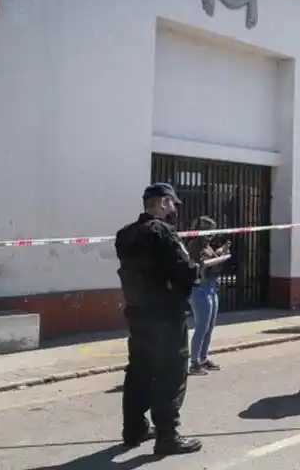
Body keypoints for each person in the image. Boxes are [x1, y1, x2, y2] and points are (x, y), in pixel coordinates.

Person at [114, 182, 203, 456]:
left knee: (139, 371)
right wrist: (196, 268)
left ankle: (134, 429)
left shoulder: (125, 234)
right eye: (173, 204)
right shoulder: (163, 233)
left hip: (137, 312)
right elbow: (184, 271)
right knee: (170, 373)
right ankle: (167, 436)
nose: (175, 209)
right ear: (163, 202)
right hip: (166, 314)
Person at [186, 216, 230, 376]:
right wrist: (219, 259)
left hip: (211, 287)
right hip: (200, 289)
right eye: (208, 232)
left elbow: (211, 259)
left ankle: (203, 358)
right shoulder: (193, 246)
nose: (211, 236)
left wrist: (220, 253)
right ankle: (194, 362)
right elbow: (202, 265)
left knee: (209, 327)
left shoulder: (207, 246)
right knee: (201, 327)